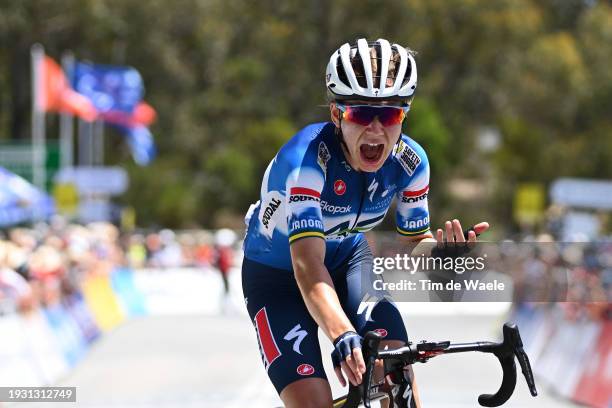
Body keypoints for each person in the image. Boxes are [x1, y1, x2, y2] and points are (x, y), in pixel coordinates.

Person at [241, 38, 489, 408]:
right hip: (277, 278)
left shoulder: (410, 163)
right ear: (337, 114)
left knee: (397, 377)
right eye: (360, 113)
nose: (376, 130)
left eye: (390, 115)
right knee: (312, 402)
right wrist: (342, 334)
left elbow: (413, 239)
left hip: (348, 263)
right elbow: (307, 264)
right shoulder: (306, 163)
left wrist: (441, 252)